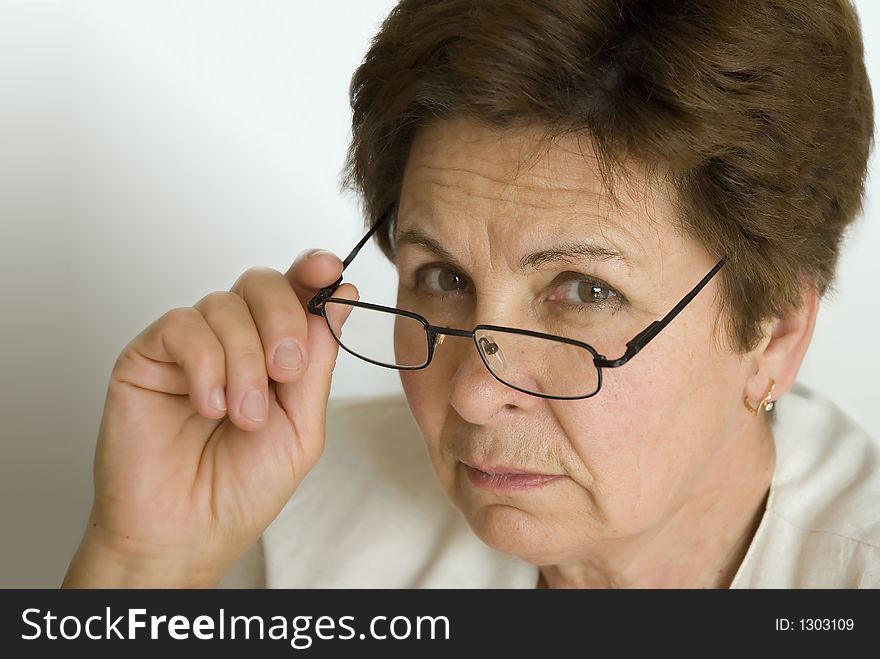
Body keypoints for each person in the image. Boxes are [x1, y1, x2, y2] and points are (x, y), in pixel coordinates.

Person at [63, 0, 878, 589]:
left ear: (772, 331)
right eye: (444, 279)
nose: (476, 392)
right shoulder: (300, 509)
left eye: (584, 290)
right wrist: (146, 563)